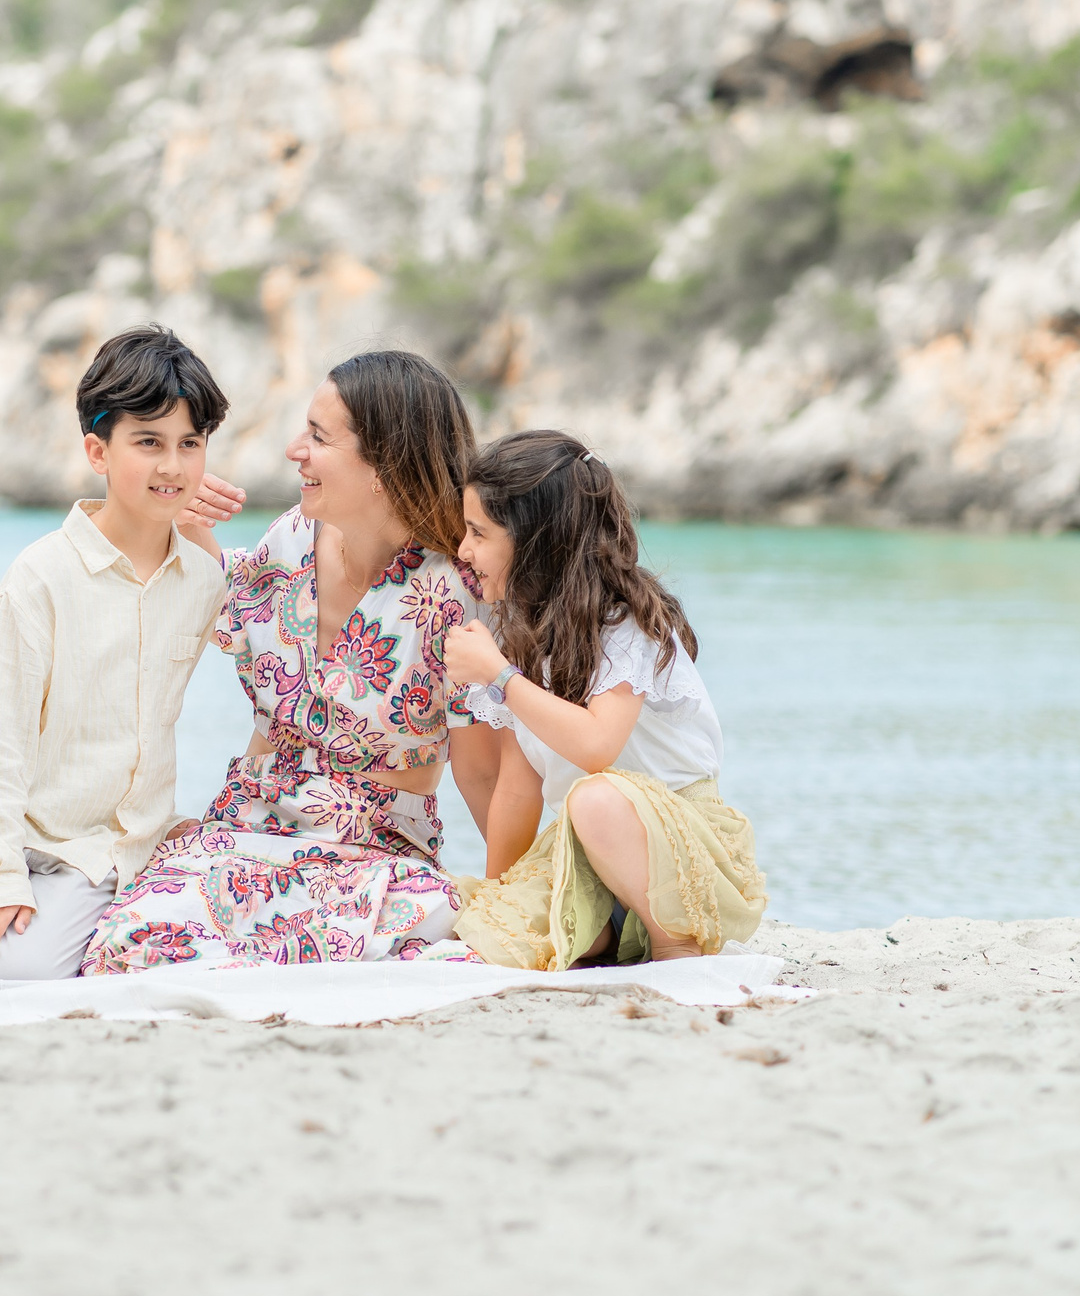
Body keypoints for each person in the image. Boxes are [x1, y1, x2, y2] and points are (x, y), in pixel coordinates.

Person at [80, 350, 502, 973]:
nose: (292, 449)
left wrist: (513, 894)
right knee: (131, 943)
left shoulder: (458, 592)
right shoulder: (290, 540)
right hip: (244, 830)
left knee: (395, 938)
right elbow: (213, 599)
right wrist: (180, 516)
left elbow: (483, 778)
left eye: (318, 436)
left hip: (375, 852)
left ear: (384, 463)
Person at [0, 326, 244, 980]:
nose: (172, 465)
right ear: (98, 449)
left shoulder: (204, 581)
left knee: (15, 976)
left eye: (190, 444)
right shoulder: (40, 575)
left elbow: (269, 645)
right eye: (147, 442)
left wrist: (197, 523)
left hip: (94, 853)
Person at [444, 430, 765, 967]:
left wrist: (499, 677)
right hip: (589, 855)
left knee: (595, 798)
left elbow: (597, 746)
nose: (463, 550)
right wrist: (499, 895)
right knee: (488, 927)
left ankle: (674, 943)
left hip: (681, 846)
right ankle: (612, 934)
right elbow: (518, 791)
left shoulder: (625, 621)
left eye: (478, 533)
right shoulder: (519, 636)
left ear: (535, 541)